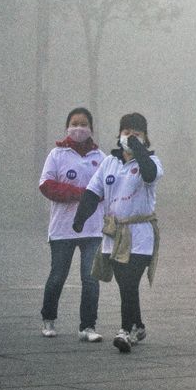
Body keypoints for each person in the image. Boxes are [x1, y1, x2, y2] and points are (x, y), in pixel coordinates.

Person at [72, 113, 163, 353]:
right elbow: (93, 191)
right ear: (119, 134)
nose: (131, 136)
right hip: (115, 233)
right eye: (126, 132)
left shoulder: (152, 162)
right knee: (125, 282)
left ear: (145, 137)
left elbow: (149, 174)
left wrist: (138, 150)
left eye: (137, 133)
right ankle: (138, 325)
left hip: (140, 234)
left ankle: (125, 330)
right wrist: (81, 217)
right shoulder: (109, 163)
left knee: (130, 280)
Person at [38, 107, 107, 341]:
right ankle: (49, 318)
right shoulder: (57, 155)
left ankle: (87, 326)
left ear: (91, 129)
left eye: (84, 124)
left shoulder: (101, 158)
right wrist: (80, 193)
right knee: (58, 275)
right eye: (74, 123)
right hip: (62, 229)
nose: (79, 128)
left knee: (90, 278)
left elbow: (108, 188)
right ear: (68, 126)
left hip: (93, 228)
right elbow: (47, 185)